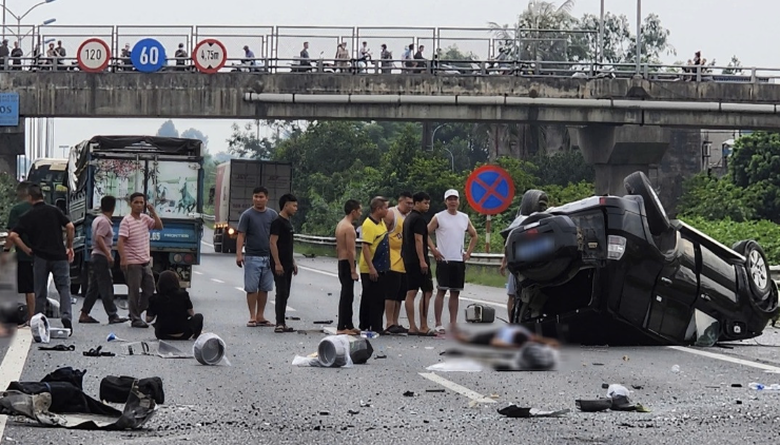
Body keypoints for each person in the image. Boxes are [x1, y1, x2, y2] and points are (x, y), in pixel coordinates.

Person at [7, 184, 75, 333]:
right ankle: (66, 316)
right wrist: (69, 246)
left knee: (40, 291)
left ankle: (39, 321)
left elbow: (13, 235)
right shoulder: (55, 211)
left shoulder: (28, 216)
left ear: (30, 198)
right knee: (64, 288)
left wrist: (26, 249)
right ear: (42, 196)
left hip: (40, 257)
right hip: (59, 256)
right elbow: (70, 227)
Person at [429, 189, 478, 333]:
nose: (452, 202)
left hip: (458, 259)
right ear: (445, 201)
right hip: (444, 259)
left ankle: (453, 323)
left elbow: (474, 235)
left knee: (455, 292)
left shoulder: (464, 217)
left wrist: (468, 252)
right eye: (449, 199)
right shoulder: (439, 217)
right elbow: (425, 233)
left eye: (455, 199)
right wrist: (434, 249)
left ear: (458, 201)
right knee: (441, 291)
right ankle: (438, 323)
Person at [79, 196, 129, 325]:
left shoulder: (97, 220)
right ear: (113, 207)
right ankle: (112, 315)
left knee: (94, 288)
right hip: (101, 256)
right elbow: (99, 238)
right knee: (106, 286)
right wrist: (108, 254)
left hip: (96, 256)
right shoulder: (105, 222)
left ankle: (85, 313)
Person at [118, 192, 163, 328]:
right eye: (136, 202)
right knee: (134, 291)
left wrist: (153, 212)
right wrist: (123, 259)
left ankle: (135, 313)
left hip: (145, 261)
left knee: (150, 289)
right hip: (133, 263)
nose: (138, 205)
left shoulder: (145, 219)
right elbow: (120, 241)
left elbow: (159, 226)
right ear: (130, 204)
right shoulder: (127, 221)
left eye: (141, 203)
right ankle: (136, 318)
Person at [236, 186, 278, 327]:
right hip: (252, 256)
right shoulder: (247, 215)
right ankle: (252, 316)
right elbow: (241, 235)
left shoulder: (272, 215)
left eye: (261, 197)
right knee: (251, 288)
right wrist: (239, 254)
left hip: (268, 257)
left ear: (267, 198)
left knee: (265, 288)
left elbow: (277, 236)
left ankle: (260, 315)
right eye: (256, 196)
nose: (258, 199)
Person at [402, 192, 436, 336]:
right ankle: (423, 325)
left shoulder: (408, 218)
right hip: (417, 260)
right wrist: (422, 260)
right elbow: (418, 240)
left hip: (408, 259)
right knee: (427, 291)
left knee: (411, 292)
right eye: (424, 203)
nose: (427, 206)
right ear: (416, 203)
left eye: (428, 203)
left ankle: (412, 326)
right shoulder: (419, 220)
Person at [2, 182, 35, 325]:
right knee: (37, 286)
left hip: (24, 254)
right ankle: (37, 317)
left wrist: (6, 251)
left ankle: (31, 318)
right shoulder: (43, 208)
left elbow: (12, 234)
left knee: (28, 287)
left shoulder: (17, 209)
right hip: (44, 254)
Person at [382, 191, 413, 334]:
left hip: (404, 261)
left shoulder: (409, 217)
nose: (410, 206)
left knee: (400, 295)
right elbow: (382, 233)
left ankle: (395, 321)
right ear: (400, 201)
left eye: (412, 203)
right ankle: (388, 322)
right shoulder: (391, 214)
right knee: (391, 294)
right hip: (391, 259)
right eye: (407, 203)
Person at [358, 196, 390, 334]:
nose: (387, 210)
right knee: (371, 298)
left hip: (381, 266)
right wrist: (371, 267)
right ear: (378, 209)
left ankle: (374, 324)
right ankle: (369, 325)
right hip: (371, 267)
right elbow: (365, 247)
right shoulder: (368, 224)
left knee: (379, 297)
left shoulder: (381, 222)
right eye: (385, 208)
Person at [270, 194, 299, 333]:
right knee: (281, 292)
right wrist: (277, 263)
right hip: (279, 263)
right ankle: (279, 323)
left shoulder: (288, 222)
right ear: (286, 205)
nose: (295, 209)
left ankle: (283, 321)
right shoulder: (278, 221)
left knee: (286, 292)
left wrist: (292, 261)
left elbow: (288, 245)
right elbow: (273, 242)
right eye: (293, 205)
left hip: (287, 263)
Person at [146, 271, 203, 340]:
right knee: (199, 316)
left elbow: (148, 319)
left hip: (162, 334)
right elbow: (191, 313)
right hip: (184, 334)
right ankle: (196, 336)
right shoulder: (183, 295)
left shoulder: (154, 299)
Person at [335, 200, 362, 335]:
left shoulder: (340, 224)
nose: (360, 213)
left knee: (348, 295)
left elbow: (338, 247)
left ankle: (349, 324)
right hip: (347, 263)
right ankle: (341, 326)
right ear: (353, 211)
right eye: (359, 210)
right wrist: (353, 269)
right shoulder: (349, 228)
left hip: (341, 261)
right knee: (347, 296)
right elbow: (351, 251)